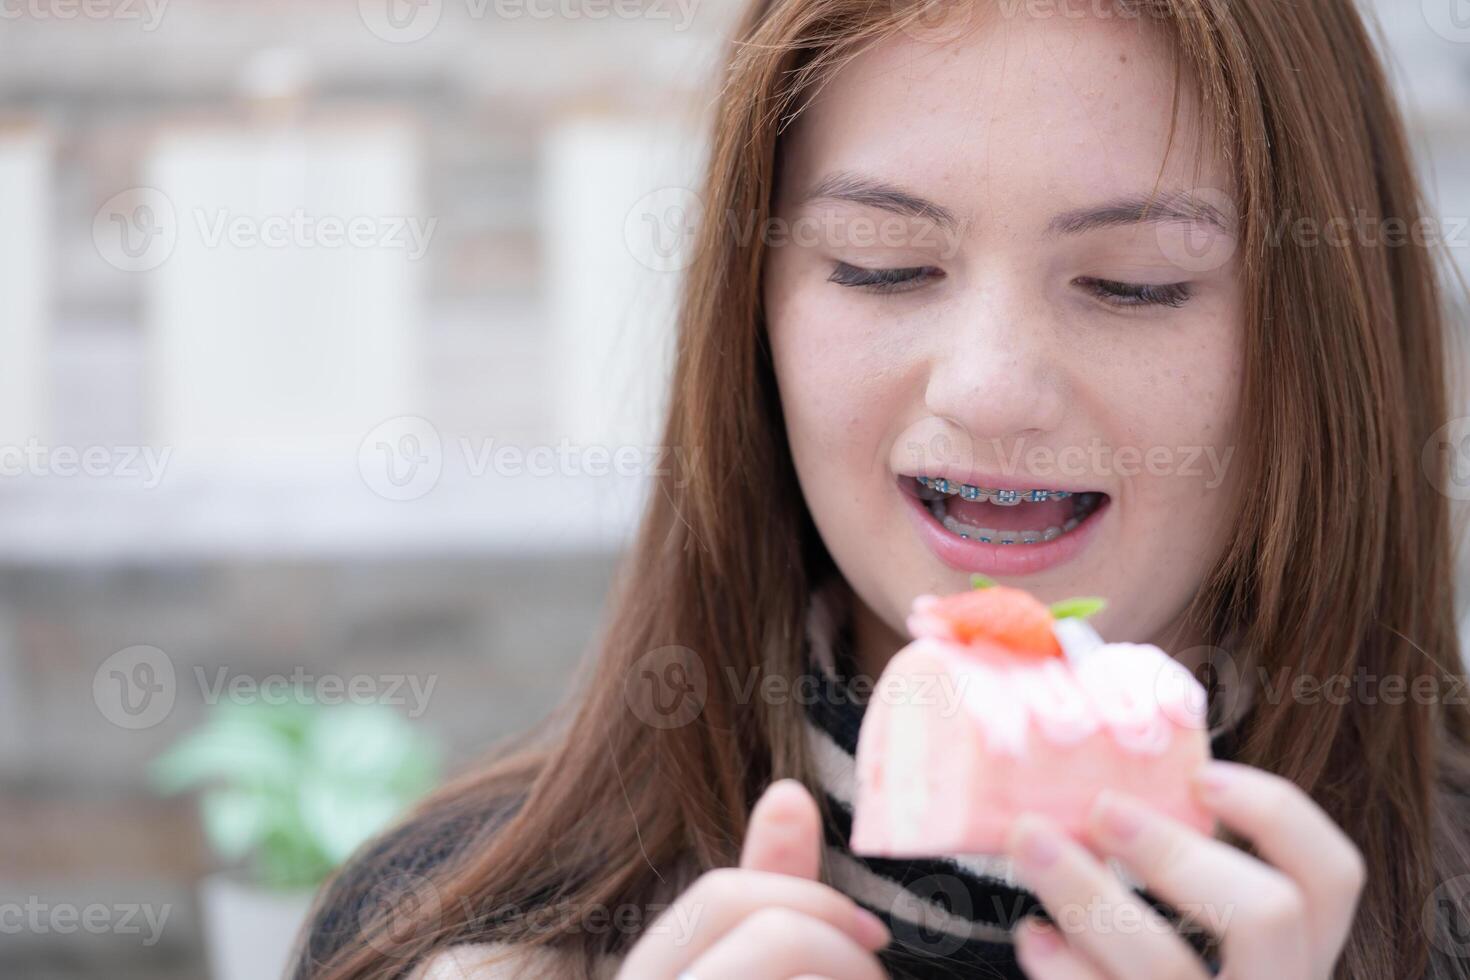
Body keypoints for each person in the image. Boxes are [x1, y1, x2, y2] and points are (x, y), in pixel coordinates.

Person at [293, 0, 1470, 976]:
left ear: (1324, 340)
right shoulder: (448, 940)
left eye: (1132, 282)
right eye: (882, 264)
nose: (992, 387)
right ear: (752, 314)